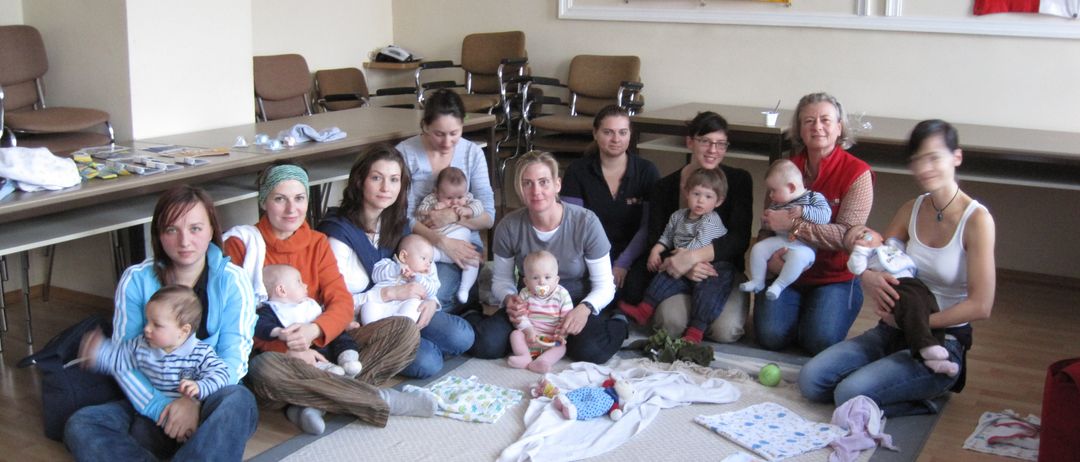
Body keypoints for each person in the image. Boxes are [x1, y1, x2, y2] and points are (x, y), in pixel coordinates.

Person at [799, 119, 995, 416]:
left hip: (943, 340)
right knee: (811, 381)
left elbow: (981, 306)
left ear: (957, 157)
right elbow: (873, 255)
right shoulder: (911, 209)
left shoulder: (977, 220)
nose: (925, 168)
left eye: (934, 157)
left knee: (848, 394)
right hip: (892, 330)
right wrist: (869, 278)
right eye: (917, 160)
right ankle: (893, 378)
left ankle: (932, 389)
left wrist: (918, 324)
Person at [224, 161, 435, 435]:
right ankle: (379, 400)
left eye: (299, 198)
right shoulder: (242, 244)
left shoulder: (316, 242)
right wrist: (290, 350)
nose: (291, 209)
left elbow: (342, 302)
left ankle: (313, 403)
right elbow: (235, 320)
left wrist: (316, 329)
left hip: (328, 344)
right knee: (265, 369)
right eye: (280, 199)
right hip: (278, 356)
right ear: (265, 202)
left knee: (404, 331)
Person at [64, 185, 258, 461]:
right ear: (158, 234)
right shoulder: (136, 279)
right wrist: (163, 409)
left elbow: (233, 359)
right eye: (171, 230)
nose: (184, 241)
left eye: (195, 228)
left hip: (209, 400)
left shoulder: (233, 280)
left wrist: (192, 402)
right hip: (149, 405)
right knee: (82, 424)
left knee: (239, 400)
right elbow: (125, 361)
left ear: (213, 230)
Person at [318, 146, 474, 380]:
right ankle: (368, 358)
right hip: (361, 322)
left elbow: (421, 265)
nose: (386, 188)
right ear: (360, 181)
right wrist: (390, 293)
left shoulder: (394, 222)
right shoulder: (338, 235)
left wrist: (431, 301)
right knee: (429, 362)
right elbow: (330, 305)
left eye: (394, 180)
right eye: (376, 178)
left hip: (404, 306)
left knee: (462, 336)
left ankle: (407, 345)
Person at [468, 151, 627, 364]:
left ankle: (619, 321)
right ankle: (470, 315)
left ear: (557, 185)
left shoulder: (586, 222)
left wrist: (585, 309)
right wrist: (509, 299)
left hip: (575, 303)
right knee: (486, 344)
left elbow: (605, 285)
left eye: (544, 182)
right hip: (530, 303)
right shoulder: (509, 226)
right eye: (528, 183)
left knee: (591, 351)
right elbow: (502, 281)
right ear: (520, 189)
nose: (536, 191)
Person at [752, 92, 874, 355]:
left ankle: (818, 312)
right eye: (808, 121)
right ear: (799, 129)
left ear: (839, 127)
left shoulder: (858, 173)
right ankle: (799, 312)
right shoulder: (784, 169)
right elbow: (767, 224)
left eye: (825, 120)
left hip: (834, 277)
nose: (817, 127)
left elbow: (846, 236)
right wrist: (769, 258)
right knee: (770, 337)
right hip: (785, 270)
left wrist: (794, 226)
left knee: (819, 342)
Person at [647, 111, 754, 343]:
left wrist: (693, 257)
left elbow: (739, 239)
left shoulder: (739, 181)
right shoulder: (664, 187)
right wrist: (684, 266)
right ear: (690, 142)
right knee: (671, 325)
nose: (712, 150)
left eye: (720, 144)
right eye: (705, 141)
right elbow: (657, 237)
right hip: (676, 271)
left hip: (721, 272)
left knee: (725, 331)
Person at [396, 89, 495, 311]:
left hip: (464, 244)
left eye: (454, 133)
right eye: (438, 134)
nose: (447, 141)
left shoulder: (472, 153)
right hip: (420, 244)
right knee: (419, 296)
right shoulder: (405, 153)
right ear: (425, 126)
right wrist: (441, 242)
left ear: (463, 125)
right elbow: (405, 216)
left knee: (436, 295)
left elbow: (488, 216)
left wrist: (451, 216)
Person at [561, 105, 660, 309]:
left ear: (630, 135)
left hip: (632, 252)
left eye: (622, 132)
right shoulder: (577, 171)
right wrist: (601, 264)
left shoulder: (647, 171)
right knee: (578, 290)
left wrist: (623, 263)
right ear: (595, 134)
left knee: (631, 293)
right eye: (608, 132)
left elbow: (648, 226)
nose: (616, 139)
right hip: (589, 251)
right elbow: (574, 225)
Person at [620, 168, 734, 344]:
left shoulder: (711, 220)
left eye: (708, 197)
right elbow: (667, 236)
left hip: (711, 267)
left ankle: (696, 331)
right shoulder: (678, 216)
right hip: (684, 261)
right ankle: (644, 310)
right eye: (696, 194)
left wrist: (678, 260)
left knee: (708, 293)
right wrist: (657, 249)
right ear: (686, 193)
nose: (700, 200)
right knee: (665, 275)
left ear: (718, 202)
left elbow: (698, 246)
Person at [80, 285, 230, 402]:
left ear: (183, 331)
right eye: (147, 321)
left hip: (190, 417)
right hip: (156, 415)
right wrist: (97, 352)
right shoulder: (142, 346)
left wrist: (200, 386)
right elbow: (119, 358)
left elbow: (222, 374)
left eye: (156, 325)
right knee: (140, 429)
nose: (146, 329)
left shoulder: (201, 353)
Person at [844, 226, 958, 376]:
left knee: (931, 308)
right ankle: (925, 347)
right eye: (855, 240)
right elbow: (855, 268)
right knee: (914, 310)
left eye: (865, 231)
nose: (862, 236)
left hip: (915, 285)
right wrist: (860, 249)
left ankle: (937, 357)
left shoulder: (891, 247)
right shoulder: (864, 256)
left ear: (880, 235)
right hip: (896, 287)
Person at [740, 159, 833, 301]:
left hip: (804, 246)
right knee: (758, 248)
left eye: (773, 190)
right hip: (781, 241)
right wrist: (767, 220)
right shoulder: (777, 203)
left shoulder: (813, 198)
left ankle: (779, 285)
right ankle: (758, 281)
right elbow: (768, 225)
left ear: (790, 187)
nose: (770, 195)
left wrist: (803, 211)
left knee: (798, 258)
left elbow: (825, 217)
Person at [257, 264, 363, 378]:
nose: (305, 285)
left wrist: (343, 324)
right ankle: (328, 370)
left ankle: (348, 358)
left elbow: (326, 313)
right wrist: (278, 332)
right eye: (299, 282)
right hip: (305, 351)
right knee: (303, 364)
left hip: (326, 339)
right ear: (282, 290)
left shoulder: (307, 303)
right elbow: (260, 325)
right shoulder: (271, 310)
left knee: (340, 335)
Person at [415, 166, 482, 303]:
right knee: (425, 258)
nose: (455, 202)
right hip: (438, 246)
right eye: (449, 198)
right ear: (436, 192)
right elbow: (420, 213)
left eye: (459, 197)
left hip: (462, 246)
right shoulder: (431, 199)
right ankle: (428, 282)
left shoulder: (467, 199)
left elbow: (479, 207)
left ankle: (465, 289)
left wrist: (467, 210)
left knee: (473, 260)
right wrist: (433, 209)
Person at [507, 250, 574, 373]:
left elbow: (566, 319)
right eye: (535, 278)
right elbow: (521, 316)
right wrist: (528, 331)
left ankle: (542, 361)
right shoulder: (525, 293)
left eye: (547, 277)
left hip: (551, 338)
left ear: (556, 280)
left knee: (561, 348)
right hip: (530, 336)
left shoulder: (562, 295)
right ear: (526, 281)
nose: (542, 282)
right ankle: (524, 357)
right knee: (515, 335)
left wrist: (560, 335)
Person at [362, 234, 440, 324]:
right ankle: (373, 329)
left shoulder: (424, 278)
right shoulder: (389, 264)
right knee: (368, 308)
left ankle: (398, 329)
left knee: (415, 308)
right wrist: (396, 269)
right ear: (403, 256)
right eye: (423, 258)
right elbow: (375, 276)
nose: (428, 264)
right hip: (380, 303)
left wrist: (417, 278)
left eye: (430, 261)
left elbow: (432, 291)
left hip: (403, 307)